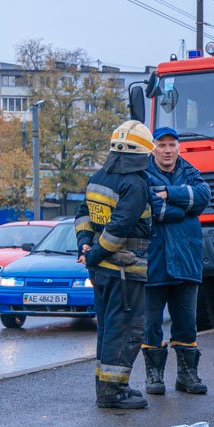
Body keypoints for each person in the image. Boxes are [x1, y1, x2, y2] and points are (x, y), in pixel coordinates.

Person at [75, 121, 154, 410]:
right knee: (125, 330)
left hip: (102, 272)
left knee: (108, 329)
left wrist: (85, 243)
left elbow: (83, 213)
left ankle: (107, 386)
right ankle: (113, 392)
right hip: (124, 270)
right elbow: (120, 227)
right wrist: (94, 253)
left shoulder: (99, 176)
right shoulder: (135, 184)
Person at [141, 127, 211, 396]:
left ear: (179, 147)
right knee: (151, 324)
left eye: (172, 145)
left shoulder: (190, 171)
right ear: (153, 148)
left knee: (186, 323)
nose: (167, 150)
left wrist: (169, 193)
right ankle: (154, 376)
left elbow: (204, 196)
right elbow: (152, 207)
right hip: (154, 262)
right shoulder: (143, 173)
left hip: (186, 261)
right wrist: (184, 208)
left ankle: (187, 376)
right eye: (162, 145)